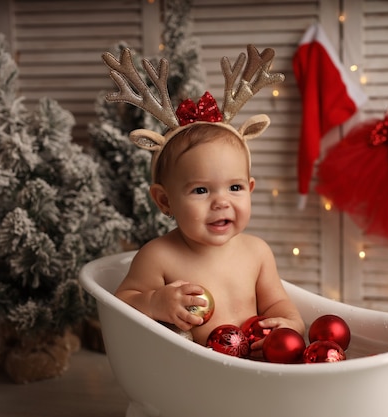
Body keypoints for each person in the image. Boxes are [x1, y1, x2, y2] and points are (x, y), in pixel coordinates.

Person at [114, 121, 305, 351]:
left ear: (250, 189)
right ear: (165, 200)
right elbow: (120, 305)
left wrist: (290, 324)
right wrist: (154, 302)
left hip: (257, 363)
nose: (222, 202)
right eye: (201, 190)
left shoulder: (257, 252)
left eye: (235, 188)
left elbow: (276, 303)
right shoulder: (158, 257)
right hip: (194, 373)